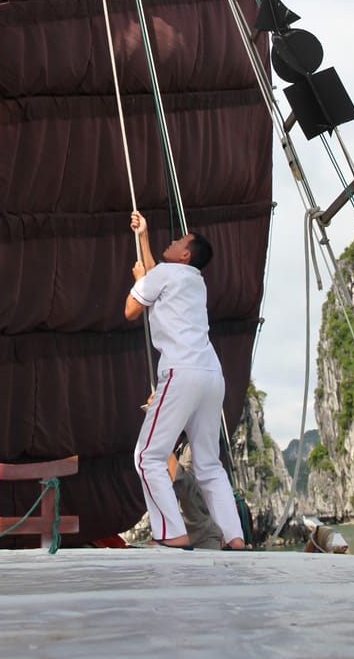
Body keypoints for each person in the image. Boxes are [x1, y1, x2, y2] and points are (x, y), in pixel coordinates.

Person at [124, 211, 246, 550]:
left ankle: (172, 534)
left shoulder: (164, 273)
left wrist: (137, 280)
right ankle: (234, 538)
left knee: (147, 456)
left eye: (179, 241)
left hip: (180, 372)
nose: (173, 240)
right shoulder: (194, 280)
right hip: (211, 374)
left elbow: (131, 309)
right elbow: (158, 275)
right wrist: (144, 237)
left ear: (186, 255)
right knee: (209, 464)